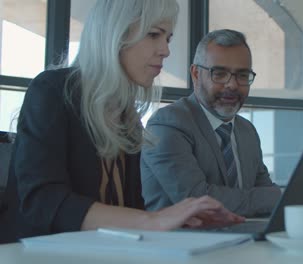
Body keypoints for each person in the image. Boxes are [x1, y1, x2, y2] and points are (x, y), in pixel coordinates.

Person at [8, 0, 243, 240]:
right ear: (114, 35)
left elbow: (132, 213)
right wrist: (154, 221)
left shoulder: (127, 118)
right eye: (153, 35)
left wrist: (179, 223)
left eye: (168, 39)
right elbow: (43, 201)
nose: (166, 50)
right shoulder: (52, 90)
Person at [141, 29, 281, 217]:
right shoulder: (167, 124)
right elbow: (198, 201)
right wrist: (273, 196)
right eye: (220, 73)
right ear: (196, 74)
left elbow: (269, 196)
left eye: (242, 75)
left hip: (245, 241)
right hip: (182, 242)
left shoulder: (247, 131)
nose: (232, 85)